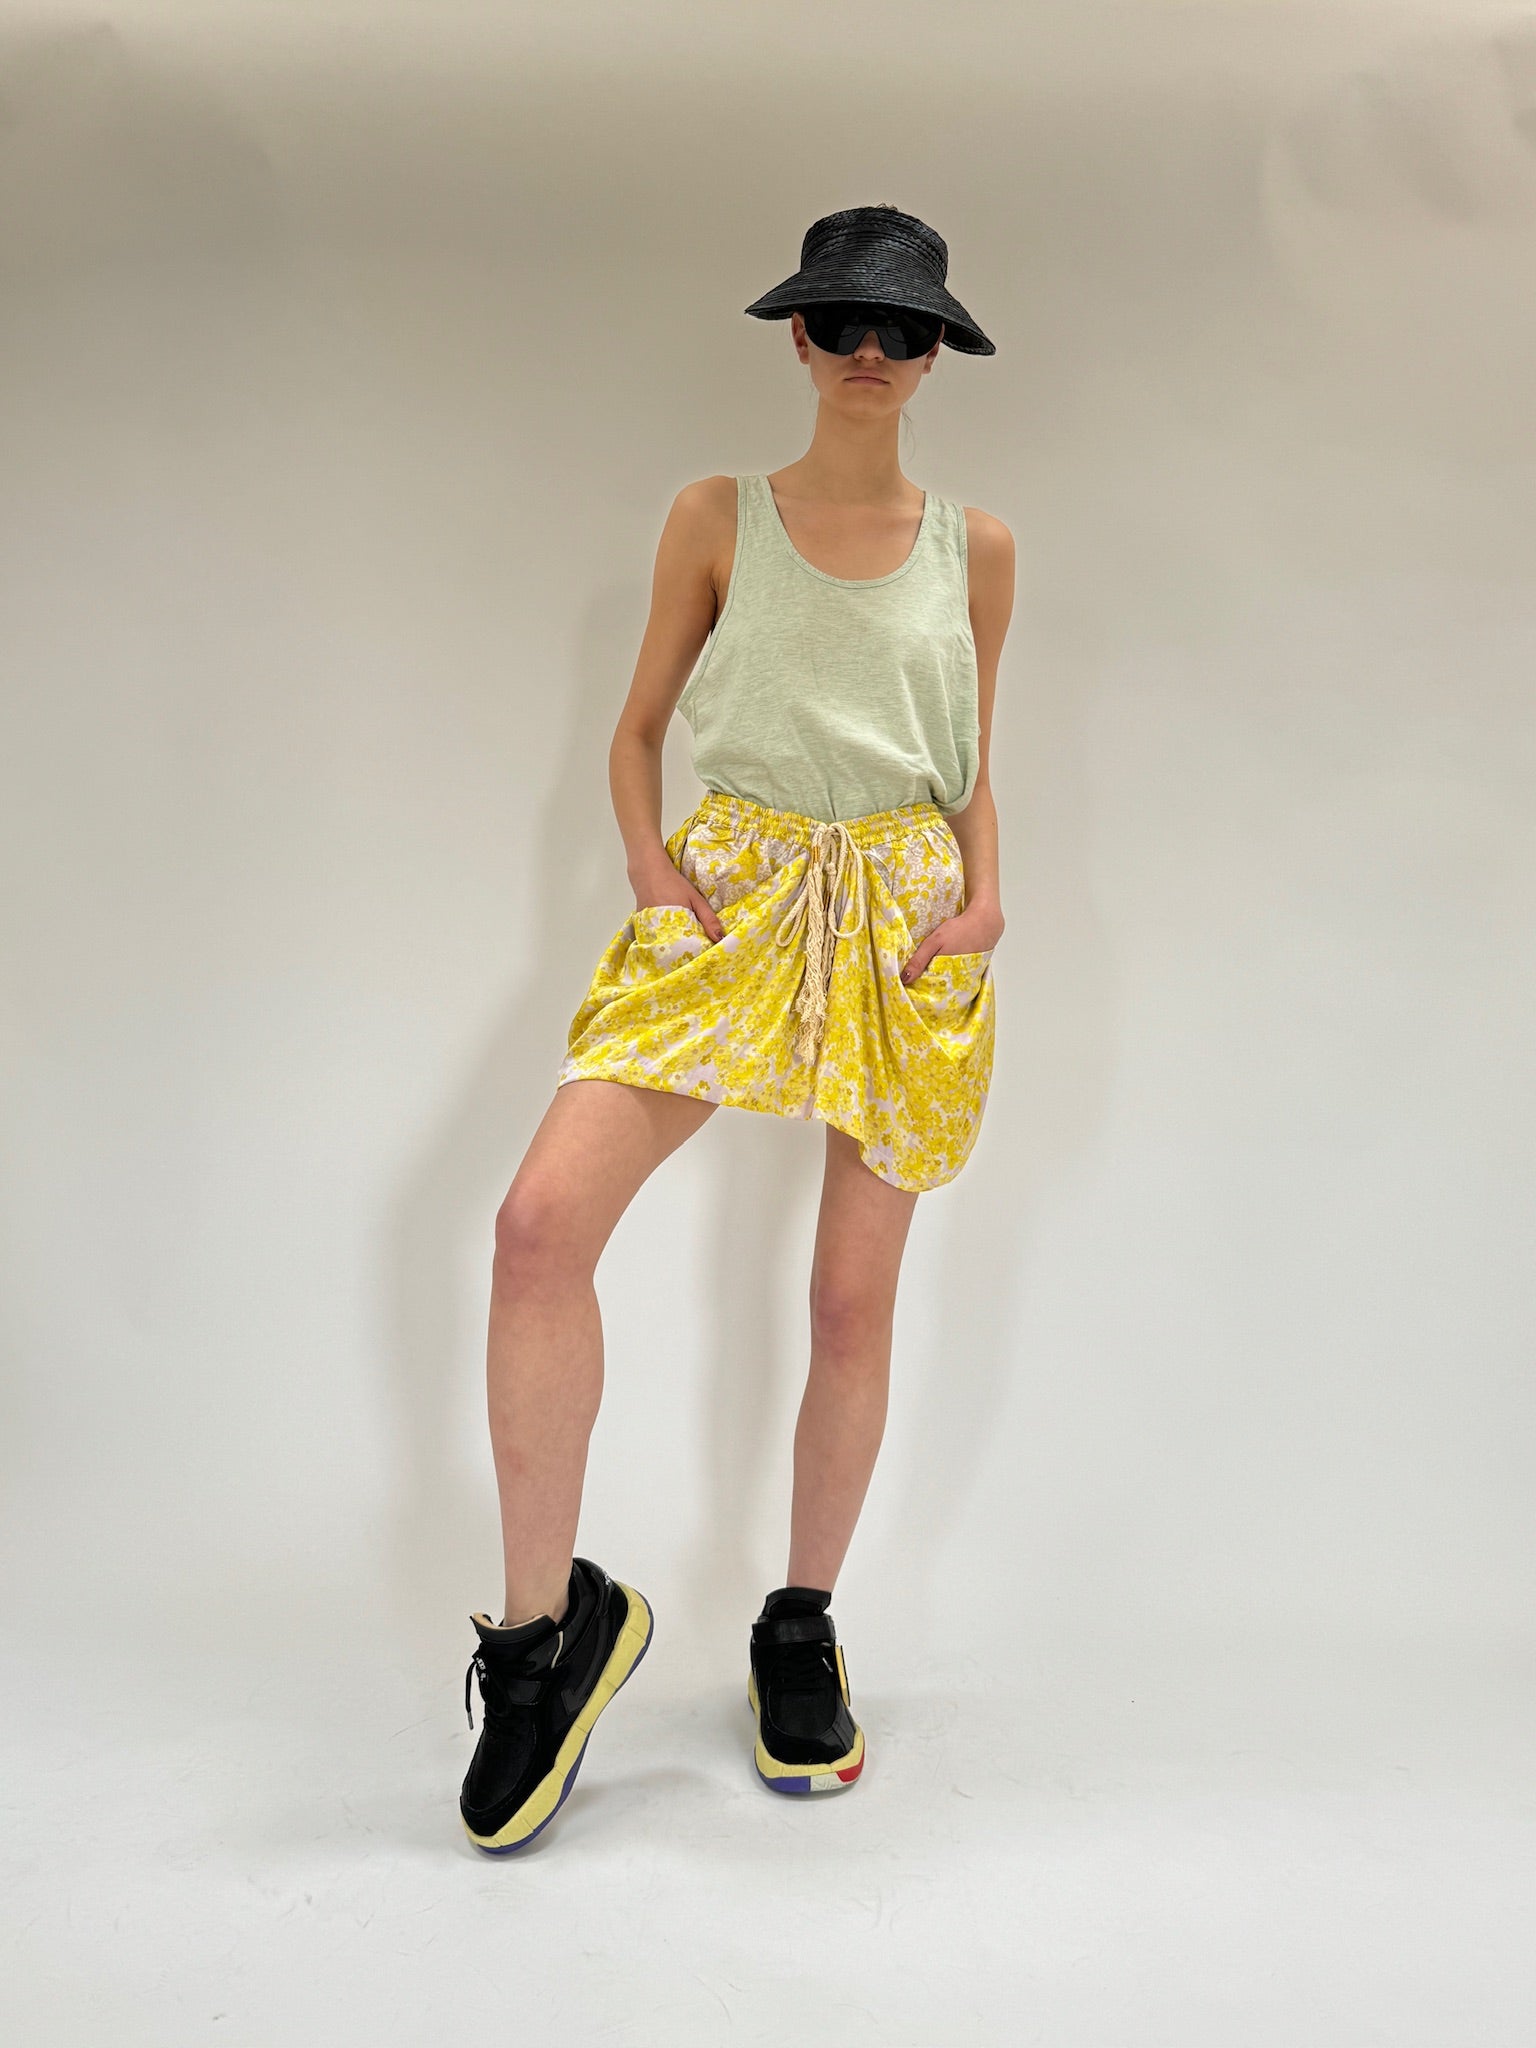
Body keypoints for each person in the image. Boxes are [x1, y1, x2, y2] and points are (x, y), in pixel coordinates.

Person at [460, 203, 1014, 1852]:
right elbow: (637, 730)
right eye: (843, 322)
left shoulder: (978, 550)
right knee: (537, 1226)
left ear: (936, 354)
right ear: (798, 336)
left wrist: (985, 904)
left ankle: (800, 1626)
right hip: (737, 894)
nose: (870, 352)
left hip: (905, 916)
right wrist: (651, 868)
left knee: (849, 1299)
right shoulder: (716, 516)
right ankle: (545, 1638)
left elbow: (969, 766)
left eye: (902, 330)